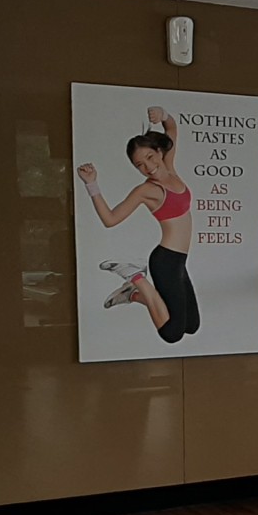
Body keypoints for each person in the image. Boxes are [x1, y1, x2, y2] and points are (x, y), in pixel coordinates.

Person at [77, 107, 200, 343]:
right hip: (165, 261)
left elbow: (172, 128)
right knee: (172, 333)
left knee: (191, 326)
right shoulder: (147, 190)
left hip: (179, 261)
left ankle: (132, 294)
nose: (148, 167)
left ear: (159, 151)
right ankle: (134, 276)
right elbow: (110, 219)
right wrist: (92, 185)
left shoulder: (169, 168)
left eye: (150, 158)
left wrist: (163, 115)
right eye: (139, 165)